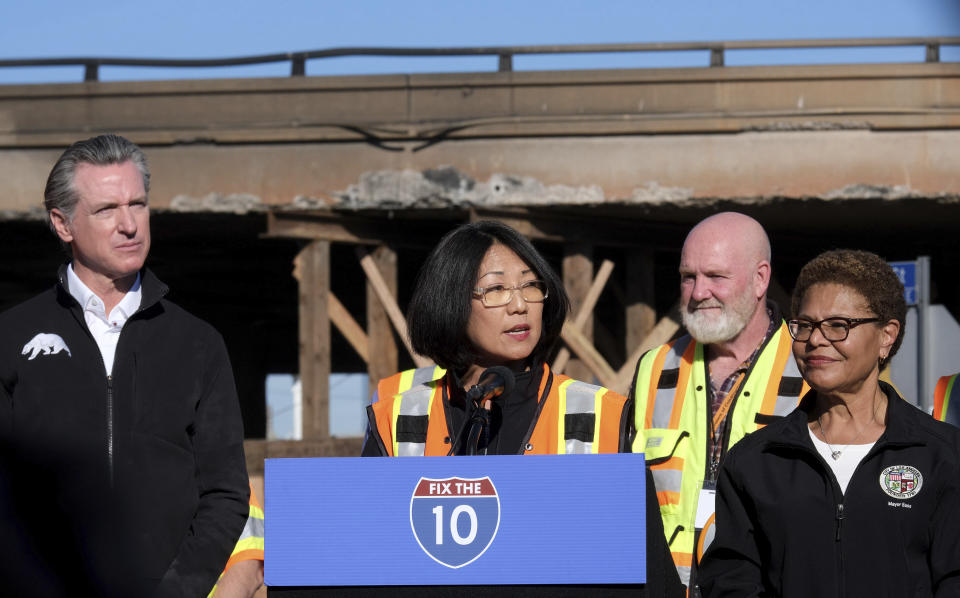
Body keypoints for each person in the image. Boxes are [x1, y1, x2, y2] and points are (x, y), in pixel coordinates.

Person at [362, 220, 682, 597]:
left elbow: (648, 576)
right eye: (496, 289)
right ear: (450, 302)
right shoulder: (394, 422)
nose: (520, 304)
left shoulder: (605, 416)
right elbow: (365, 561)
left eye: (531, 285)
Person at [0, 134, 249, 597]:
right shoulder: (11, 339)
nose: (129, 224)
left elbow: (226, 493)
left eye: (137, 204)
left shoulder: (199, 344)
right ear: (62, 224)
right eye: (106, 209)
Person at [700, 249, 960, 597]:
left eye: (839, 325)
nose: (815, 339)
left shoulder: (941, 455)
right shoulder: (756, 460)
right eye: (804, 325)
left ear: (887, 335)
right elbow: (732, 581)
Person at [629, 212, 808, 592]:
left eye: (715, 277)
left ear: (761, 278)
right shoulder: (654, 367)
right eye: (688, 277)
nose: (697, 292)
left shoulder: (814, 366)